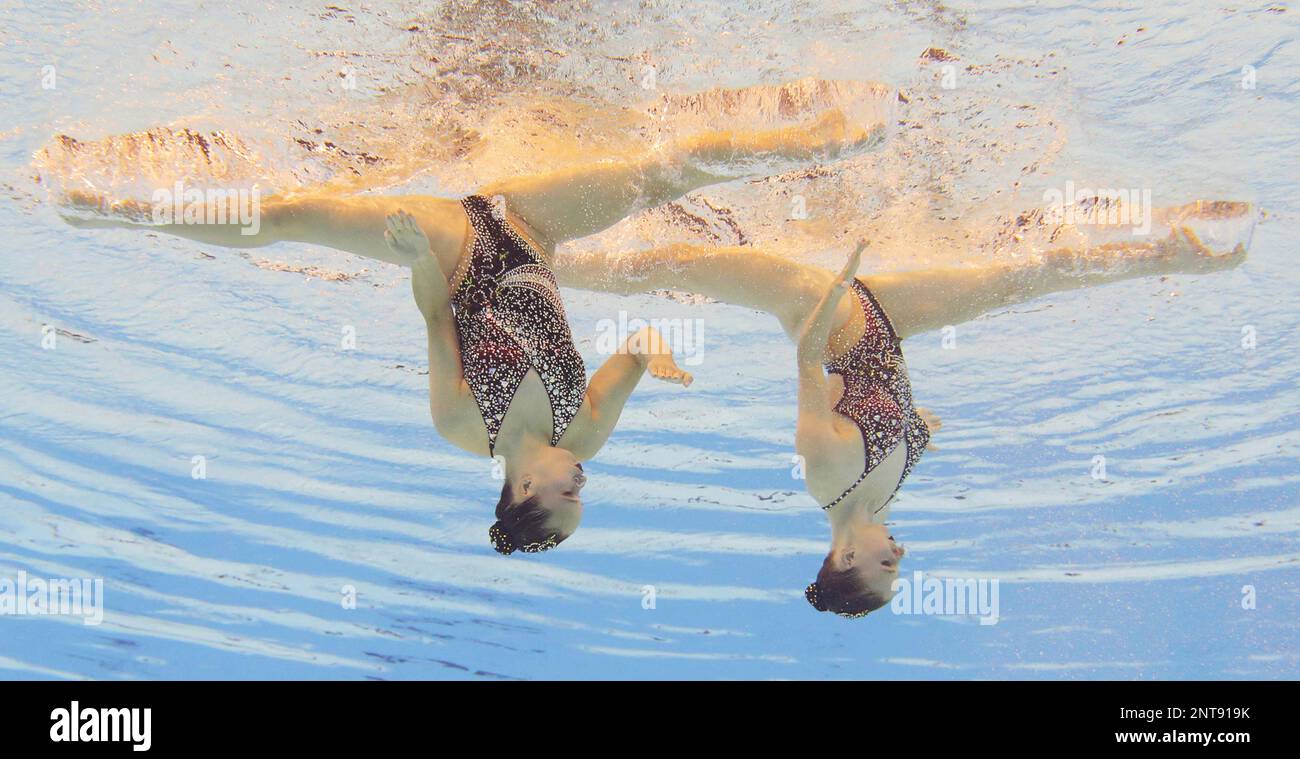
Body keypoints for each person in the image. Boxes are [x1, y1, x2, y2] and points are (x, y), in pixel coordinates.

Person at [60, 94, 884, 554]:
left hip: (457, 251)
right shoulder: (584, 433)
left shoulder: (461, 422)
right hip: (532, 230)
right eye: (580, 496)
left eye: (564, 496)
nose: (581, 483)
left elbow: (430, 312)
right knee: (656, 177)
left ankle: (125, 213)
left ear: (523, 488)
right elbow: (631, 351)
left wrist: (419, 250)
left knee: (291, 217)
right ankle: (810, 140)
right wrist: (655, 353)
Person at [554, 207, 1249, 615]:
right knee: (1022, 279)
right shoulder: (884, 492)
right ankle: (1169, 249)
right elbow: (892, 420)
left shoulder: (825, 478)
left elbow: (806, 367)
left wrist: (837, 278)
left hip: (833, 314)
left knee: (686, 264)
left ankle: (556, 257)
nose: (900, 555)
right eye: (900, 568)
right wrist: (922, 428)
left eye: (886, 567)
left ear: (846, 555)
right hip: (892, 323)